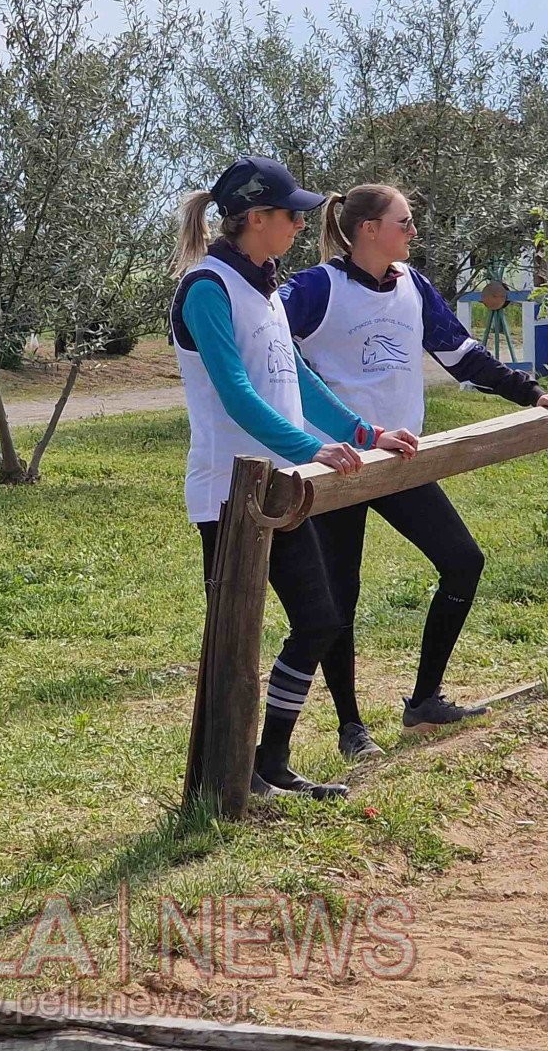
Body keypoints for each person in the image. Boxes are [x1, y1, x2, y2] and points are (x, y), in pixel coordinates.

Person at [280, 185, 548, 759]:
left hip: (402, 458)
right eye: (404, 222)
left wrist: (529, 393)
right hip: (337, 464)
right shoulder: (317, 288)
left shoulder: (413, 286)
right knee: (340, 598)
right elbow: (267, 345)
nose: (413, 232)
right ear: (368, 229)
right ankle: (350, 729)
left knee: (463, 561)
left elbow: (462, 354)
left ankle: (424, 701)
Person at [171, 156, 420, 799]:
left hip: (280, 486)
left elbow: (296, 379)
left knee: (320, 620)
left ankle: (269, 761)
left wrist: (362, 433)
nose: (301, 225)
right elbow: (236, 394)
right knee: (236, 639)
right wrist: (313, 445)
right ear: (257, 218)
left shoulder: (262, 284)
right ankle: (221, 784)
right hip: (229, 493)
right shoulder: (208, 288)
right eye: (292, 214)